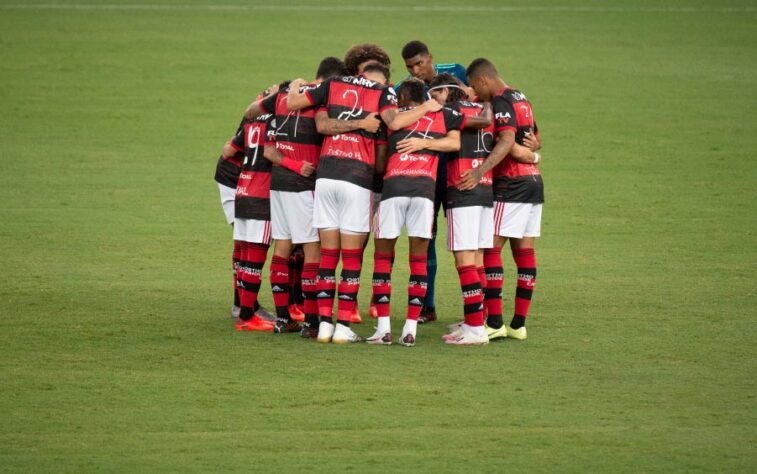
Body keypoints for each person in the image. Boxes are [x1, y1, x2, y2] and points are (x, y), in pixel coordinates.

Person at [287, 62, 443, 344]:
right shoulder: (383, 92)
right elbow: (395, 122)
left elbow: (298, 106)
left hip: (325, 177)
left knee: (328, 256)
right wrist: (426, 107)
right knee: (351, 258)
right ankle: (343, 327)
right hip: (357, 179)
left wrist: (297, 83)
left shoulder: (333, 85)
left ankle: (324, 325)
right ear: (382, 79)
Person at [254, 57, 351, 336]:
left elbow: (269, 151)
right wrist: (301, 166)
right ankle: (311, 321)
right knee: (313, 251)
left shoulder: (283, 99)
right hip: (302, 187)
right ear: (331, 80)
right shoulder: (318, 103)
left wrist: (292, 164)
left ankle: (284, 319)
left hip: (279, 185)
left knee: (282, 248)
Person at [367, 78, 463, 346]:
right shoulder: (442, 116)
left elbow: (381, 161)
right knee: (418, 261)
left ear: (400, 100)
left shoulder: (393, 119)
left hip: (393, 191)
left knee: (383, 259)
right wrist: (428, 143)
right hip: (424, 193)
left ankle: (383, 328)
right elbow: (455, 143)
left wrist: (418, 144)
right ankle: (410, 329)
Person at [459, 58, 543, 341]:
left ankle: (493, 321)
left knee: (490, 249)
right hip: (534, 183)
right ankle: (518, 324)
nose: (476, 93)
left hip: (512, 184)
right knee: (525, 254)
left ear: (483, 81)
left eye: (474, 87)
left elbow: (506, 141)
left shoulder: (501, 100)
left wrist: (480, 170)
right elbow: (535, 138)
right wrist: (534, 152)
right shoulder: (521, 96)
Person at [398, 40, 470, 324]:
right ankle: (426, 304)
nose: (415, 70)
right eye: (410, 67)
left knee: (466, 241)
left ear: (430, 58)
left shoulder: (456, 73)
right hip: (425, 170)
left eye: (419, 63)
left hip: (455, 166)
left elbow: (473, 102)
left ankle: (478, 311)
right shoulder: (407, 87)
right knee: (426, 235)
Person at [221, 90, 279, 332]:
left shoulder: (252, 122)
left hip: (242, 191)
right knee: (254, 260)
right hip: (261, 195)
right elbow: (273, 154)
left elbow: (227, 152)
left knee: (244, 259)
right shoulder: (277, 122)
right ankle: (247, 317)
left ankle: (244, 312)